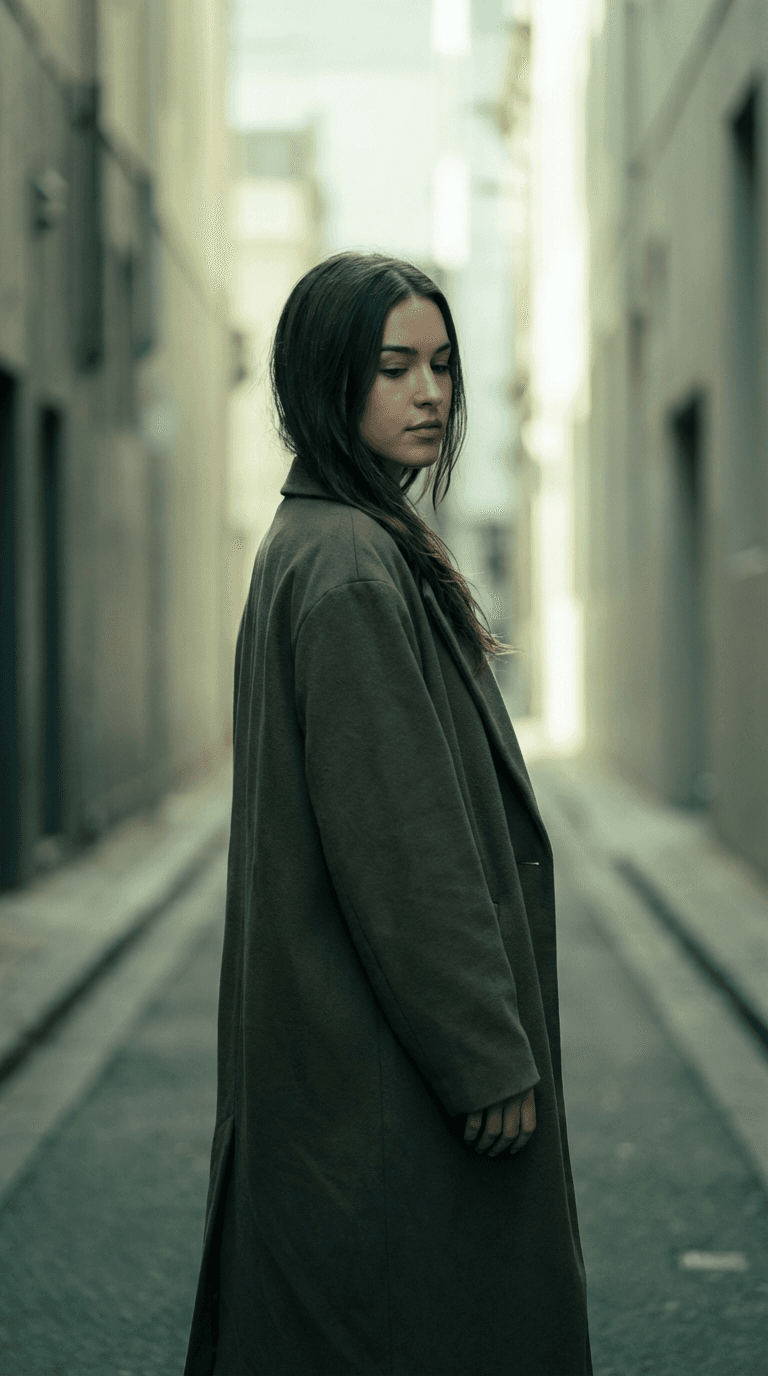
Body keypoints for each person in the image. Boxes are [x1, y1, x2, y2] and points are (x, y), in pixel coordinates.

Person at [183, 251, 592, 1376]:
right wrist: (487, 1057)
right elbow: (403, 850)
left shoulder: (326, 541)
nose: (430, 393)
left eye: (444, 365)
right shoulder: (352, 566)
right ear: (327, 380)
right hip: (382, 1084)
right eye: (393, 366)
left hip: (344, 1066)